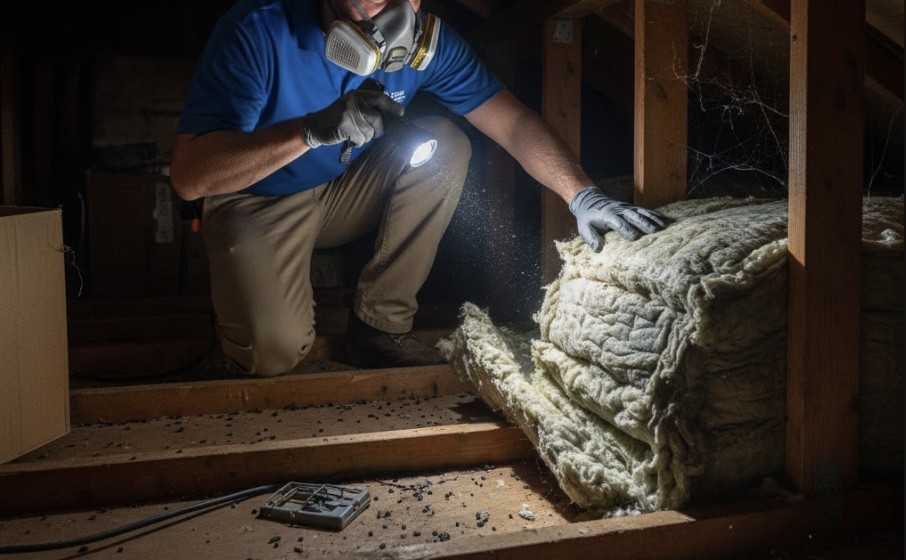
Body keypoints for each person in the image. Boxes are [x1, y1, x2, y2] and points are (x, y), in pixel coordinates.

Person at [170, 0, 667, 377]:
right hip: (256, 198)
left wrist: (581, 195)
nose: (385, 19)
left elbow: (511, 121)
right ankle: (244, 315)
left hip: (341, 191)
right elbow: (191, 176)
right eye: (366, 6)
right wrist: (308, 131)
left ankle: (379, 329)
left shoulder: (429, 45)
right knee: (271, 352)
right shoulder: (257, 30)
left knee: (446, 144)